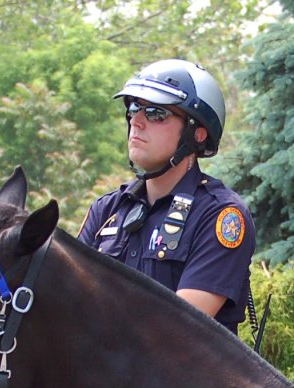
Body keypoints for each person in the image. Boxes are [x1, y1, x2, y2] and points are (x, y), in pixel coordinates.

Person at [78, 59, 256, 336]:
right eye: (134, 108)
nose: (136, 120)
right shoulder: (106, 211)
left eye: (155, 113)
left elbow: (176, 333)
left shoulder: (220, 216)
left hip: (189, 379)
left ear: (197, 133)